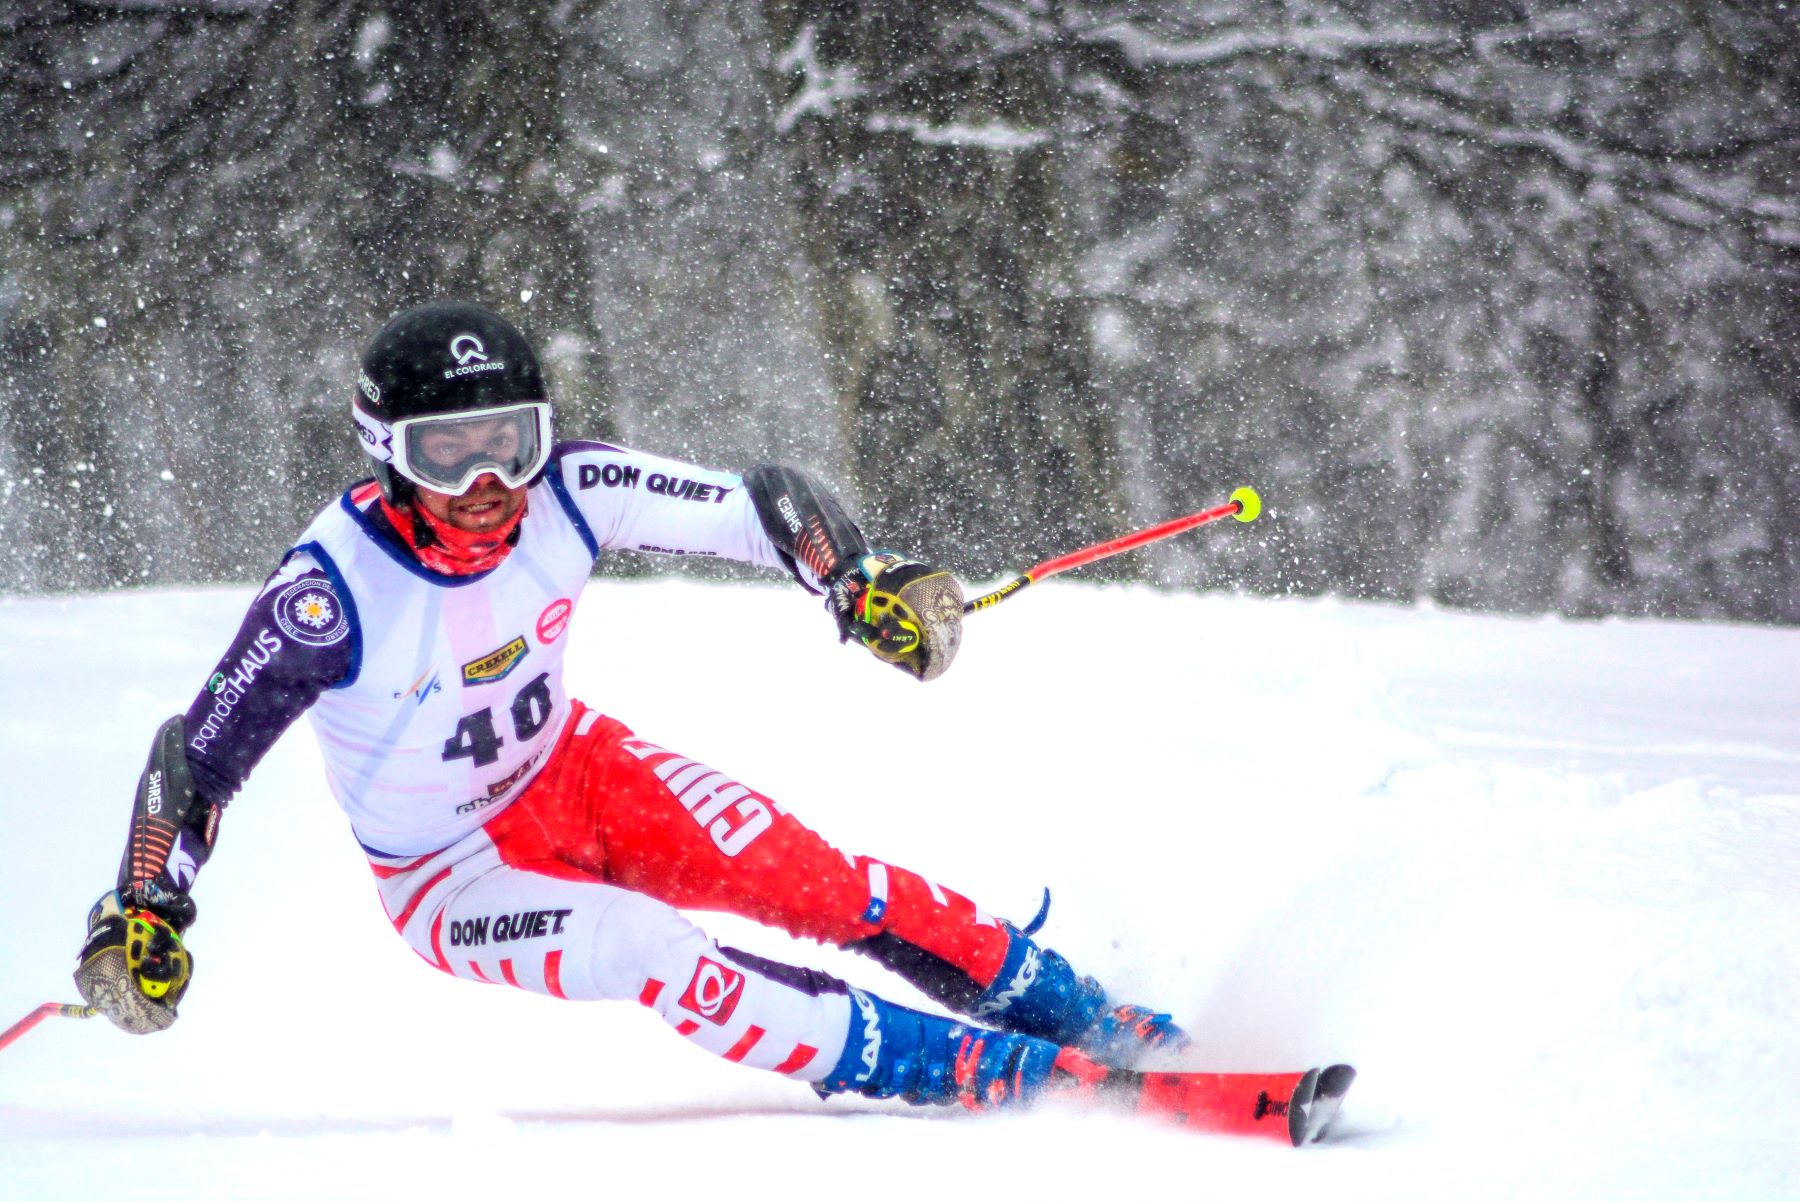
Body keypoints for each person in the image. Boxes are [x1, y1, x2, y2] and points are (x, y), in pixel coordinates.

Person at [73, 301, 1186, 1110]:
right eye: (445, 455)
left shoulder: (572, 486)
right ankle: (989, 1076)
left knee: (818, 882)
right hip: (451, 876)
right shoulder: (328, 594)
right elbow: (195, 763)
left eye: (508, 442)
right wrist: (142, 907)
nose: (487, 485)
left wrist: (855, 579)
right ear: (386, 457)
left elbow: (761, 503)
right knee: (655, 948)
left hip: (581, 774)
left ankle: (1091, 1016)